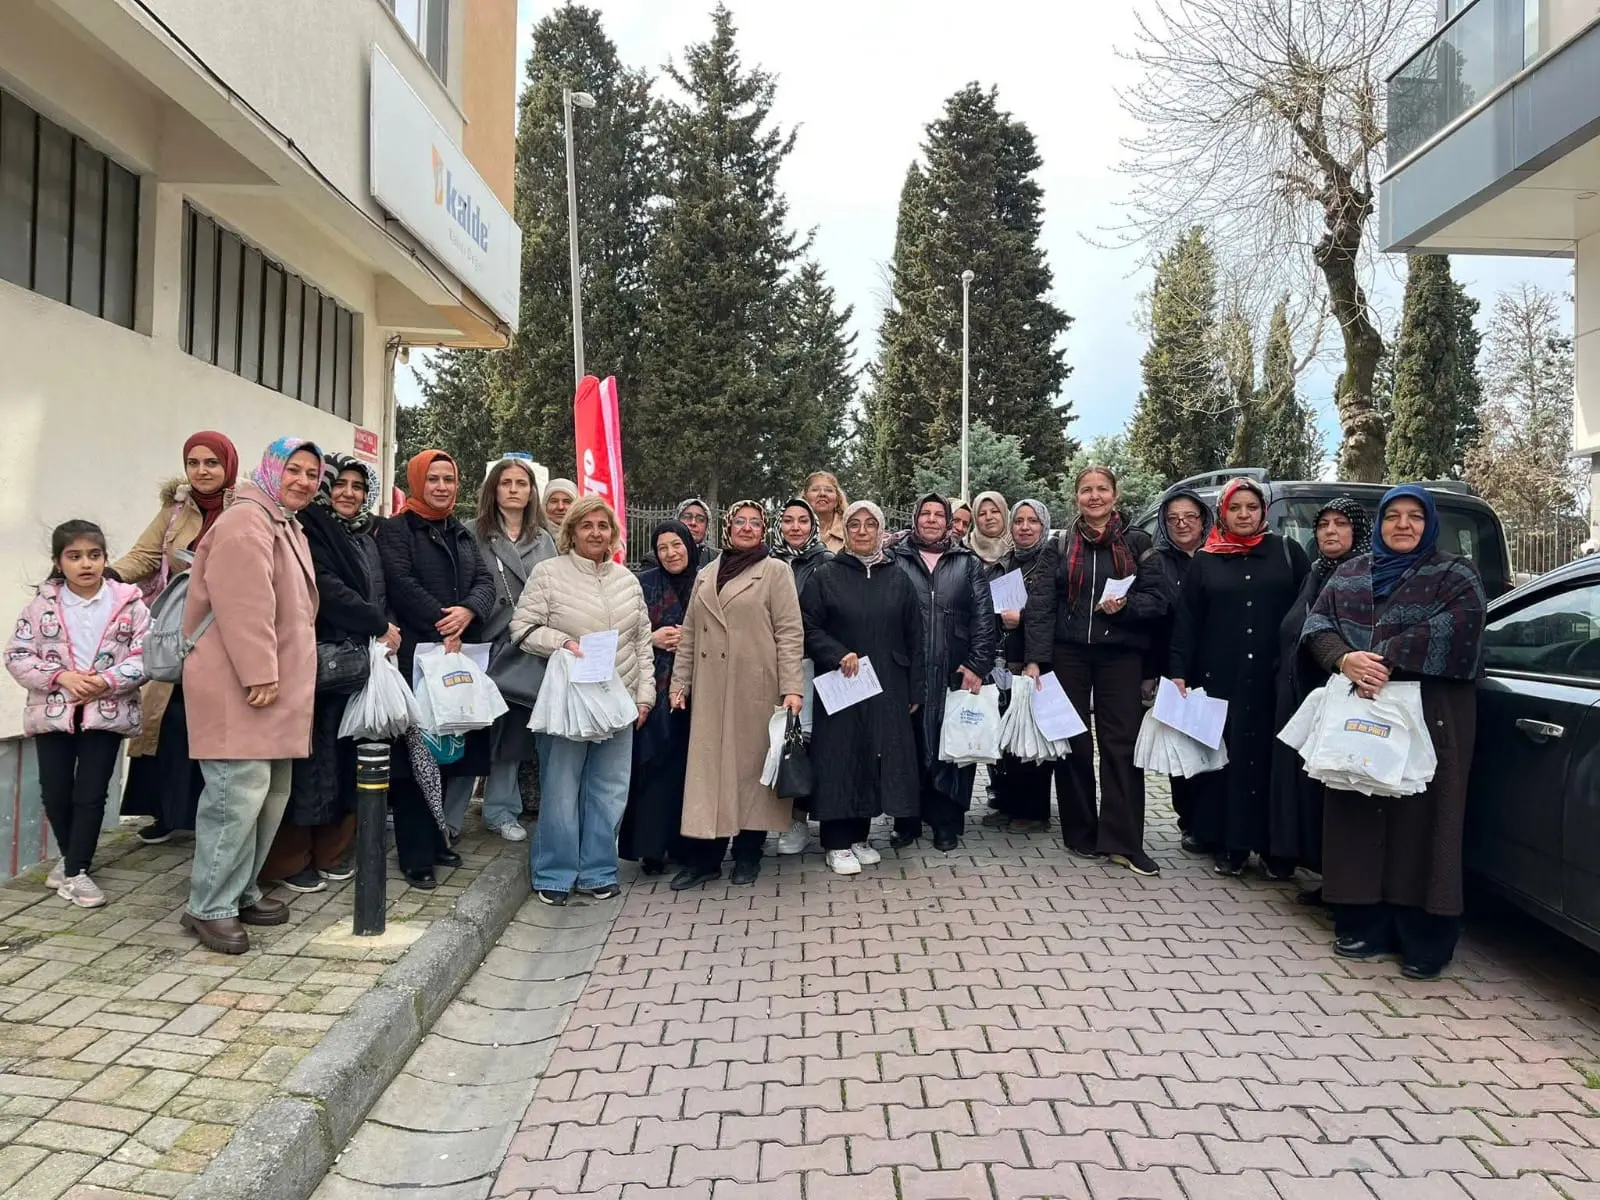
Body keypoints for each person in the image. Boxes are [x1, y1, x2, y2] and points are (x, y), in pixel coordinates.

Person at [1301, 485, 1486, 980]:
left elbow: (1460, 629)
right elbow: (1317, 625)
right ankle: (1364, 922)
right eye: (1393, 516)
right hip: (1363, 704)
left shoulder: (1455, 574)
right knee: (1359, 806)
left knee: (1424, 817)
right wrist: (1344, 659)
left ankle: (1425, 935)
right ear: (1380, 524)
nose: (1403, 525)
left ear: (1430, 524)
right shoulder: (1351, 573)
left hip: (1432, 710)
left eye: (1414, 517)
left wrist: (1378, 658)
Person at [180, 438, 322, 954]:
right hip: (240, 685)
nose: (303, 481)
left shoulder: (281, 521)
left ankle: (240, 891)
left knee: (267, 795)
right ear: (271, 469)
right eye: (293, 469)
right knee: (233, 799)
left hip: (270, 689)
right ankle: (209, 906)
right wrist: (259, 672)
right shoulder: (246, 521)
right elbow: (244, 605)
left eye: (312, 473)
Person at [261, 454, 397, 894]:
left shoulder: (368, 536)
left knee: (345, 757)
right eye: (339, 483)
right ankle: (290, 858)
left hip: (356, 661)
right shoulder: (308, 528)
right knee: (308, 760)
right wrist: (377, 623)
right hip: (314, 659)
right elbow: (326, 589)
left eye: (358, 486)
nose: (348, 493)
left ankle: (331, 851)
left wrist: (384, 631)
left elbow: (381, 590)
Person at [510, 497, 653, 905]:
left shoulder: (628, 581)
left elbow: (642, 642)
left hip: (618, 701)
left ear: (613, 533)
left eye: (603, 526)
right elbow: (522, 628)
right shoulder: (549, 573)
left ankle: (598, 871)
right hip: (569, 701)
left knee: (609, 791)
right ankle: (554, 874)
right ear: (571, 532)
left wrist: (644, 696)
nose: (595, 533)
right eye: (586, 525)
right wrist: (563, 642)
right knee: (560, 789)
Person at [1169, 477, 1309, 878]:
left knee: (1271, 761)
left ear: (1264, 511)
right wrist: (1178, 673)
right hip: (1220, 679)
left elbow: (1307, 610)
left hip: (1273, 680)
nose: (1243, 515)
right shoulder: (1206, 560)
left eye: (1251, 507)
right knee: (1226, 763)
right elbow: (1188, 622)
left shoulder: (1287, 552)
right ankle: (1230, 845)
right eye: (1235, 508)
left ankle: (1275, 849)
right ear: (1222, 513)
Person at [6, 521, 149, 908]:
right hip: (53, 712)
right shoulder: (41, 608)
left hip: (106, 711)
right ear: (59, 562)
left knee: (91, 793)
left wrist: (106, 681)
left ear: (104, 558)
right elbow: (17, 655)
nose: (86, 564)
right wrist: (61, 677)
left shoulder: (130, 605)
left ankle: (75, 872)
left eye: (94, 555)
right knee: (55, 792)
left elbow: (145, 656)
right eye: (75, 556)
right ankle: (73, 863)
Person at [1029, 466, 1160, 875]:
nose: (1094, 496)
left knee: (1121, 745)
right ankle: (1081, 832)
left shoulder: (1138, 542)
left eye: (1102, 489)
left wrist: (1128, 607)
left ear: (1115, 495)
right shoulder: (1060, 543)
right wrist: (1036, 659)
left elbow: (1158, 598)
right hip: (1068, 653)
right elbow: (1041, 604)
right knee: (1073, 742)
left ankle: (1123, 841)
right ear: (1076, 497)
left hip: (1120, 654)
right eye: (1086, 489)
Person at [376, 450, 496, 888]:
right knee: (415, 759)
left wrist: (468, 611)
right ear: (416, 481)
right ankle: (416, 856)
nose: (442, 487)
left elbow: (486, 582)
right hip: (416, 657)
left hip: (453, 655)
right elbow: (400, 583)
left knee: (448, 753)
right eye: (433, 479)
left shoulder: (460, 532)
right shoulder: (397, 530)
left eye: (449, 479)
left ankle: (438, 837)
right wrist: (444, 622)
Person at [670, 502, 806, 889]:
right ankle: (706, 860)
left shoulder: (775, 571)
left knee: (750, 774)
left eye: (755, 523)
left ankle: (748, 854)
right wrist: (680, 683)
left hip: (756, 688)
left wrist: (792, 688)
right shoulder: (706, 574)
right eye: (740, 521)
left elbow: (789, 632)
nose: (747, 527)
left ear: (764, 530)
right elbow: (690, 633)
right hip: (711, 691)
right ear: (728, 527)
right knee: (710, 775)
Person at [114, 431, 237, 845]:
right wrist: (105, 575)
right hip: (177, 627)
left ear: (228, 466)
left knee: (213, 718)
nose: (202, 471)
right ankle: (167, 811)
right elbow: (145, 555)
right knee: (168, 717)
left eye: (212, 463)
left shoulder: (245, 508)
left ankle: (210, 812)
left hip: (226, 628)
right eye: (193, 463)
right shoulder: (176, 510)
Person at [799, 499, 925, 872]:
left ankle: (859, 836)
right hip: (841, 684)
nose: (863, 531)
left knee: (874, 756)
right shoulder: (825, 576)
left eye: (871, 524)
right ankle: (836, 842)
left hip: (887, 683)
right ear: (845, 531)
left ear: (881, 530)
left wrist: (914, 689)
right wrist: (836, 653)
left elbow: (915, 637)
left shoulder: (898, 578)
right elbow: (807, 627)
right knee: (840, 757)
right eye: (855, 524)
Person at [1269, 498, 1371, 900]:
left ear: (1358, 531)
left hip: (1340, 695)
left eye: (1340, 523)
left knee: (1336, 788)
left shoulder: (1363, 574)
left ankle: (1341, 884)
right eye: (1324, 524)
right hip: (1300, 693)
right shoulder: (1317, 571)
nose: (1330, 531)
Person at [890, 493, 995, 852]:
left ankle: (946, 821)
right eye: (926, 513)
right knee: (908, 746)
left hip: (954, 670)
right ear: (915, 518)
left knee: (951, 748)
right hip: (909, 671)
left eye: (939, 514)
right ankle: (906, 820)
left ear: (949, 522)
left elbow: (984, 617)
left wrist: (978, 664)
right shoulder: (897, 558)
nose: (932, 520)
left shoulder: (967, 562)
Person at [472, 458, 557, 842]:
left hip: (528, 646)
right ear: (493, 489)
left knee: (513, 733)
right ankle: (450, 815)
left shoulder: (544, 539)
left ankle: (501, 810)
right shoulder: (474, 532)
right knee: (472, 730)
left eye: (521, 483)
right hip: (485, 641)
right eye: (505, 482)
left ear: (531, 491)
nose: (513, 489)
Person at [618, 520, 697, 876]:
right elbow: (625, 631)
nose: (671, 553)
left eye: (676, 545)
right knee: (653, 767)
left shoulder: (706, 581)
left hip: (697, 686)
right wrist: (654, 637)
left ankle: (685, 845)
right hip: (654, 685)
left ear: (689, 545)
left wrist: (692, 641)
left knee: (689, 770)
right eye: (663, 547)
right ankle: (650, 848)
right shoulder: (643, 583)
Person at [1141, 488, 1214, 851]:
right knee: (1183, 750)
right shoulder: (1155, 561)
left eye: (1189, 517)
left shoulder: (1220, 555)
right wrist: (1151, 673)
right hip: (1174, 667)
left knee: (1216, 746)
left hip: (1217, 665)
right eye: (1173, 519)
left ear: (1204, 519)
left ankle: (1216, 821)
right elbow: (1150, 624)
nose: (1182, 524)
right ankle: (1190, 822)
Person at [983, 499, 1057, 834]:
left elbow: (1050, 613)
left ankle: (1034, 812)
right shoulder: (1005, 562)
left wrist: (1022, 622)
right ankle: (1009, 804)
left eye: (1033, 521)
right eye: (1019, 521)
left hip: (1038, 664)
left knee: (1032, 740)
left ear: (1044, 526)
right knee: (1009, 737)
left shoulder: (1051, 563)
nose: (1025, 527)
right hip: (1006, 663)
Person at [769, 497, 832, 856]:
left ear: (813, 526)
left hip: (810, 663)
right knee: (776, 741)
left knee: (804, 742)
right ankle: (778, 817)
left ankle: (801, 819)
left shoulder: (827, 562)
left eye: (803, 521)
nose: (795, 527)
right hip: (770, 663)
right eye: (789, 520)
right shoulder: (766, 561)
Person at [803, 471, 848, 554]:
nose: (822, 494)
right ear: (805, 497)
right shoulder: (793, 529)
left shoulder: (850, 530)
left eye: (829, 490)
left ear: (837, 499)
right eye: (815, 490)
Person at [965, 491, 1013, 567]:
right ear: (975, 519)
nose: (989, 517)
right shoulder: (966, 554)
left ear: (1005, 514)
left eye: (994, 511)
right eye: (982, 514)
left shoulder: (1021, 548)